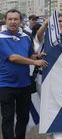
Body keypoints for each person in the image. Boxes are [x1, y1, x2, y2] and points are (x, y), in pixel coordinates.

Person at [0, 9, 48, 139]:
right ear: (5, 21)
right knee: (8, 118)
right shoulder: (1, 38)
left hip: (24, 84)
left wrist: (37, 56)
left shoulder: (26, 37)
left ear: (20, 21)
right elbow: (13, 58)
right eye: (10, 19)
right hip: (6, 85)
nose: (13, 22)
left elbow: (29, 54)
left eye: (16, 19)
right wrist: (34, 62)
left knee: (24, 117)